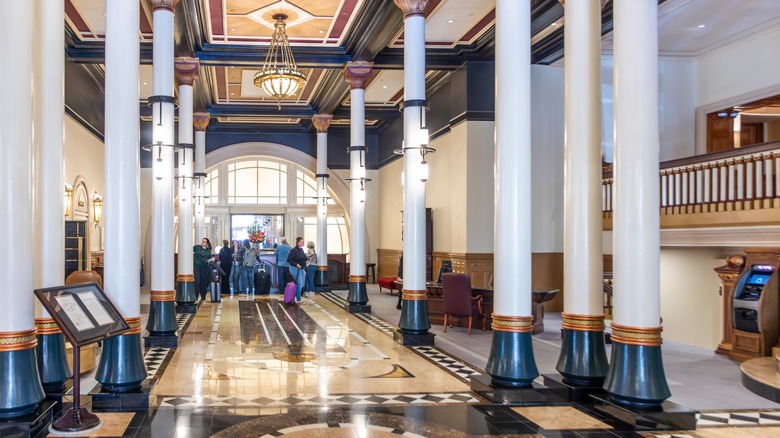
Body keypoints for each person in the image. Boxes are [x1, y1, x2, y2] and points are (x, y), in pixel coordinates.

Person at [287, 236, 308, 304]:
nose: (303, 243)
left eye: (303, 241)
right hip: (294, 268)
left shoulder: (301, 250)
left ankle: (297, 296)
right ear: (298, 243)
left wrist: (303, 269)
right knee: (299, 283)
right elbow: (289, 260)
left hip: (301, 268)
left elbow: (302, 259)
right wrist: (296, 264)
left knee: (302, 283)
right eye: (301, 242)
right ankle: (299, 299)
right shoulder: (294, 250)